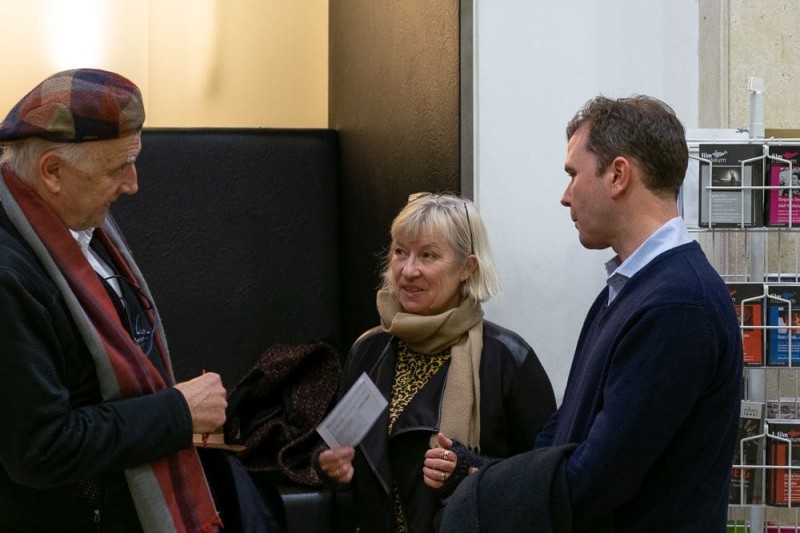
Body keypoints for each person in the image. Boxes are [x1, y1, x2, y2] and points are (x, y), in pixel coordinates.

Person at [440, 95, 744, 532]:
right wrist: (485, 473)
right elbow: (566, 431)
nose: (565, 197)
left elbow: (597, 479)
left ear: (618, 175)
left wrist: (482, 490)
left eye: (572, 175)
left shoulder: (677, 305)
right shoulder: (631, 290)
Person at [0, 68, 279, 532]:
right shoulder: (10, 276)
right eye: (117, 167)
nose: (132, 184)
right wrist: (177, 410)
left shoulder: (77, 222)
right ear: (52, 171)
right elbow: (40, 449)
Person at [316, 192, 557, 532]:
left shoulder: (507, 357)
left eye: (427, 255)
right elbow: (337, 448)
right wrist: (328, 466)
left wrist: (472, 470)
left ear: (467, 268)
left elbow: (545, 478)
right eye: (400, 252)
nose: (408, 270)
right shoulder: (370, 349)